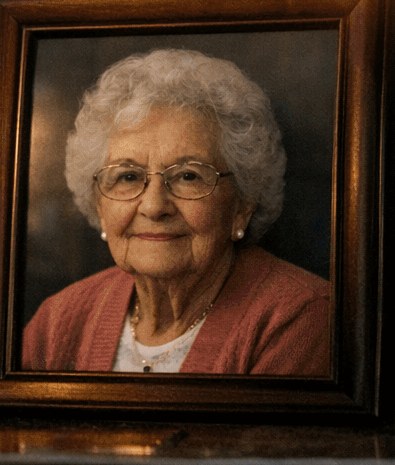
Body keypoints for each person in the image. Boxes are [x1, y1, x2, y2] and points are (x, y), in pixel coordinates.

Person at [21, 48, 329, 375]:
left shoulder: (299, 320)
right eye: (128, 177)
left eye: (188, 177)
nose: (154, 207)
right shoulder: (58, 321)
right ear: (99, 203)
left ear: (243, 205)